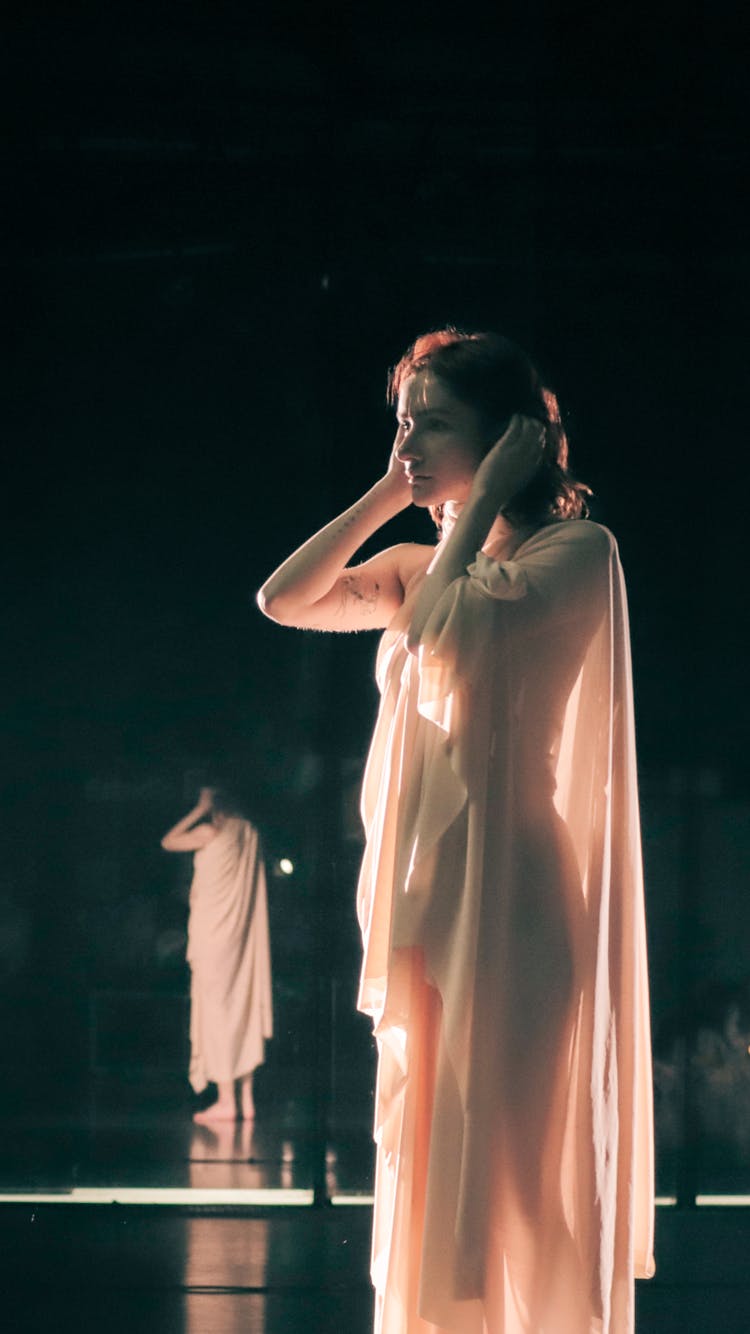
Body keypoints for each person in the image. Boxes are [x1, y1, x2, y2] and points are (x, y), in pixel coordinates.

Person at [258, 328, 654, 1333]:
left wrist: (476, 503)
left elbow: (449, 625)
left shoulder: (576, 553)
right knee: (432, 1149)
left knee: (514, 1171)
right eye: (402, 419)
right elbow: (282, 597)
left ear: (506, 434)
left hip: (521, 892)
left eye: (433, 420)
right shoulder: (418, 561)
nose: (410, 439)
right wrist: (394, 496)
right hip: (435, 891)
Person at [161, 785, 273, 1123]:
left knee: (217, 1014)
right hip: (239, 938)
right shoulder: (250, 834)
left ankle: (227, 1101)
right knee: (241, 1006)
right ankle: (246, 1097)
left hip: (213, 938)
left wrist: (198, 810)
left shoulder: (212, 831)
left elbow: (168, 841)